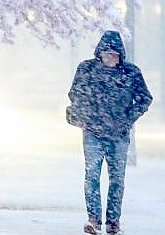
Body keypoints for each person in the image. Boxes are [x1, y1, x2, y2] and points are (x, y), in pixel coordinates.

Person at [66, 30, 153, 235]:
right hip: (93, 133)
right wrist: (85, 115)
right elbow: (75, 94)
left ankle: (113, 222)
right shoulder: (87, 70)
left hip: (118, 136)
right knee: (92, 176)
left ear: (120, 55)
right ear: (100, 53)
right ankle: (94, 220)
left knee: (117, 179)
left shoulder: (131, 73)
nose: (110, 57)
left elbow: (144, 98)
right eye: (107, 53)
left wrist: (126, 119)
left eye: (114, 54)